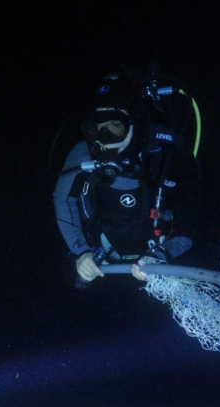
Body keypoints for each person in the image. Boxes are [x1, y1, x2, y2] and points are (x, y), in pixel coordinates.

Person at [52, 72, 200, 285]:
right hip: (103, 264)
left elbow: (190, 217)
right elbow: (63, 200)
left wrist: (164, 253)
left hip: (163, 261)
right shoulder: (83, 154)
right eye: (96, 129)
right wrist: (81, 252)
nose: (105, 140)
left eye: (115, 126)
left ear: (134, 122)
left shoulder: (169, 152)